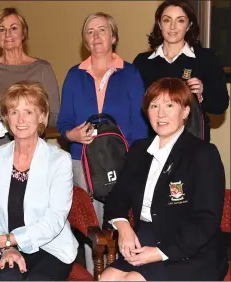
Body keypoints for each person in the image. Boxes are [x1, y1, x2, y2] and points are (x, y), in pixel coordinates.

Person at [100, 77, 227, 281]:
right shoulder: (139, 151)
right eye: (154, 105)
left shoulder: (203, 154)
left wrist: (159, 253)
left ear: (185, 111)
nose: (161, 114)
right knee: (107, 277)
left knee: (133, 279)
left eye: (170, 105)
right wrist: (123, 227)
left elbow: (206, 221)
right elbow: (117, 198)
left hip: (191, 249)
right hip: (147, 237)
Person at [56, 12, 148, 274]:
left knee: (123, 223)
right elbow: (63, 123)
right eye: (90, 32)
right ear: (85, 40)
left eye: (102, 30)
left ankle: (124, 271)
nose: (96, 36)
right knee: (91, 227)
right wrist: (71, 135)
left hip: (124, 162)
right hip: (82, 162)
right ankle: (94, 274)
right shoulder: (74, 75)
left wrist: (135, 161)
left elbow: (142, 124)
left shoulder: (130, 73)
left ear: (114, 36)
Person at [0, 81, 78, 281]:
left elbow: (54, 220)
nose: (21, 119)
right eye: (14, 112)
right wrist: (5, 248)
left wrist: (7, 240)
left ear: (42, 116)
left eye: (29, 111)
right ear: (6, 117)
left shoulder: (59, 161)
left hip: (50, 247)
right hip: (6, 247)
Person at [0, 7, 60, 187]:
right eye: (2, 29)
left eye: (13, 28)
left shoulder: (42, 69)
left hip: (31, 152)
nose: (7, 34)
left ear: (23, 33)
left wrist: (22, 122)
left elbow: (54, 116)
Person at [133, 0, 229, 142]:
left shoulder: (206, 59)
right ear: (159, 24)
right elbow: (135, 107)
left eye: (180, 21)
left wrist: (202, 94)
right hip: (152, 143)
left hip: (192, 144)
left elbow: (220, 105)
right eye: (167, 20)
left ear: (189, 25)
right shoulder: (143, 62)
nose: (172, 27)